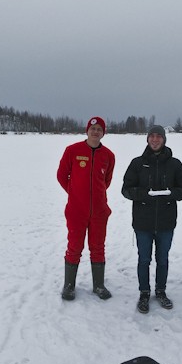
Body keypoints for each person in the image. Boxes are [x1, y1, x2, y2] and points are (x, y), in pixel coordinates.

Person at [122, 125, 182, 313]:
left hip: (166, 223)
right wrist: (144, 193)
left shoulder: (175, 164)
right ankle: (144, 292)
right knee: (144, 259)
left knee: (163, 259)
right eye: (152, 136)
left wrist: (170, 194)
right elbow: (126, 189)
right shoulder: (137, 163)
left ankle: (161, 291)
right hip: (143, 223)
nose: (155, 139)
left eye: (159, 136)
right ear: (147, 139)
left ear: (164, 139)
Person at [57, 116, 115, 301]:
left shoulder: (108, 155)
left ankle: (98, 285)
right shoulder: (72, 151)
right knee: (74, 246)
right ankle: (69, 286)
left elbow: (106, 181)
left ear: (103, 133)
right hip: (76, 210)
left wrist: (95, 197)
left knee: (98, 247)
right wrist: (74, 193)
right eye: (93, 128)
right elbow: (61, 175)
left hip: (99, 211)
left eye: (99, 129)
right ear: (87, 130)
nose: (95, 132)